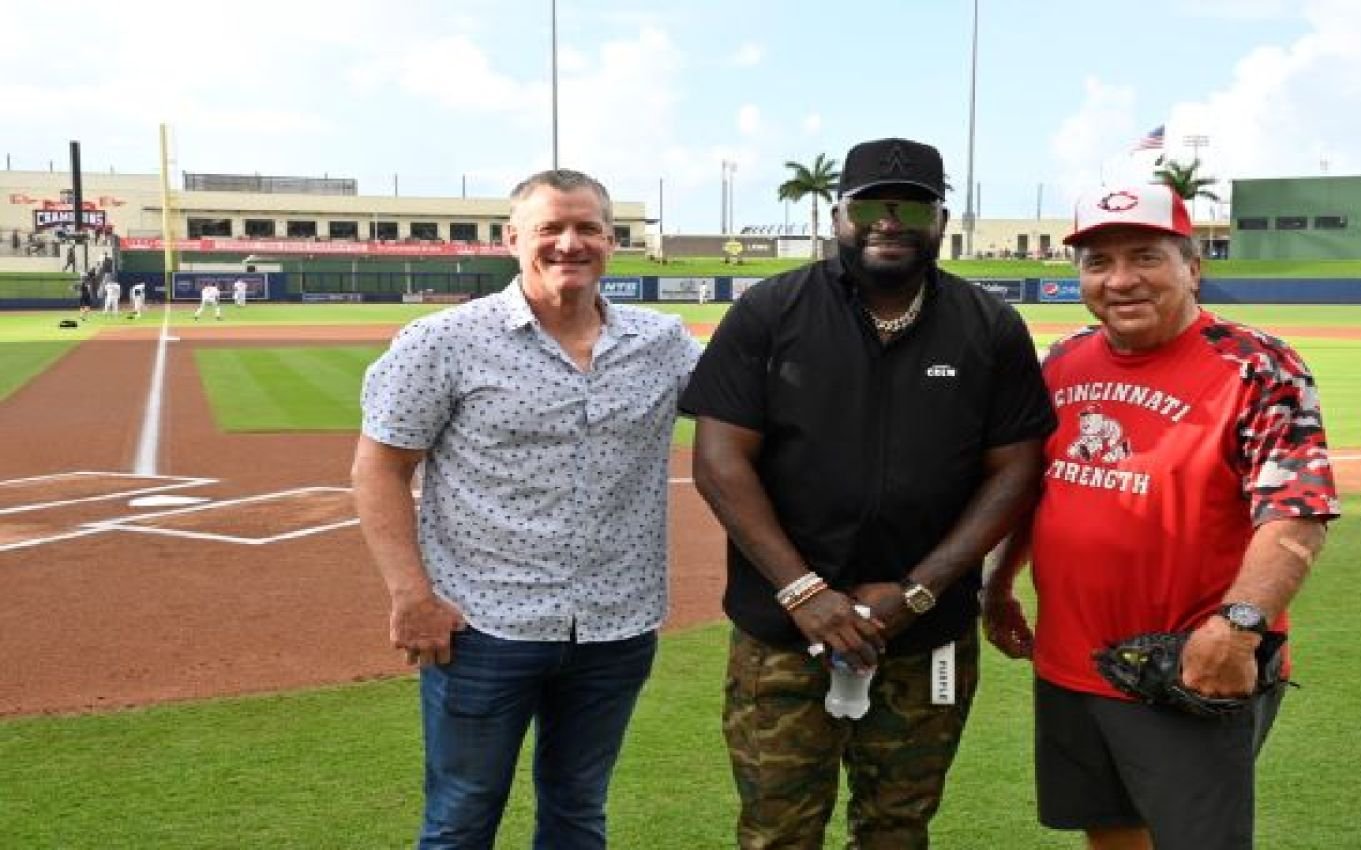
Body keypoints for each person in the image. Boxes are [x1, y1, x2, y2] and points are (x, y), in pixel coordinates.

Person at [681, 137, 1056, 849]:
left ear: (940, 221)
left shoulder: (989, 326)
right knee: (777, 833)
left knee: (897, 830)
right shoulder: (771, 311)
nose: (889, 222)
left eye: (911, 208)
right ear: (838, 217)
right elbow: (720, 462)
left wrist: (918, 592)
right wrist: (804, 593)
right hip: (783, 633)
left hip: (925, 636)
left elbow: (1014, 470)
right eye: (869, 207)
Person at [982, 184, 1341, 850]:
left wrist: (1237, 631)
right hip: (1069, 660)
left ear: (1192, 267)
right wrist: (999, 582)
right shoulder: (1063, 360)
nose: (1121, 280)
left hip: (1189, 664)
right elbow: (1040, 487)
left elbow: (1298, 513)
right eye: (1099, 262)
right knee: (1109, 829)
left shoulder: (1258, 366)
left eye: (1145, 256)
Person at [351, 168, 700, 849]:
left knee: (579, 812)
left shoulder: (661, 344)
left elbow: (756, 401)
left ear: (612, 241)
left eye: (587, 228)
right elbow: (379, 469)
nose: (570, 243)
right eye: (550, 228)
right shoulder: (443, 341)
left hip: (615, 626)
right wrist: (410, 595)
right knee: (460, 818)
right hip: (482, 626)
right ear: (512, 239)